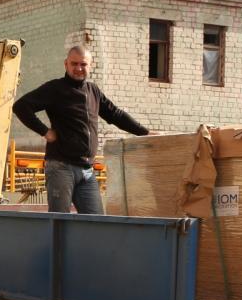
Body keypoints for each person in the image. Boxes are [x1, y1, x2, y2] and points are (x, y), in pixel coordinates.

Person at [13, 45, 153, 214]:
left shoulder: (93, 91)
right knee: (59, 221)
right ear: (66, 64)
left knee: (96, 221)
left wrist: (145, 133)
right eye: (74, 64)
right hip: (61, 167)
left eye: (83, 64)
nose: (79, 68)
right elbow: (21, 106)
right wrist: (45, 131)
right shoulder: (55, 89)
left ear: (90, 66)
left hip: (87, 170)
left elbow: (115, 114)